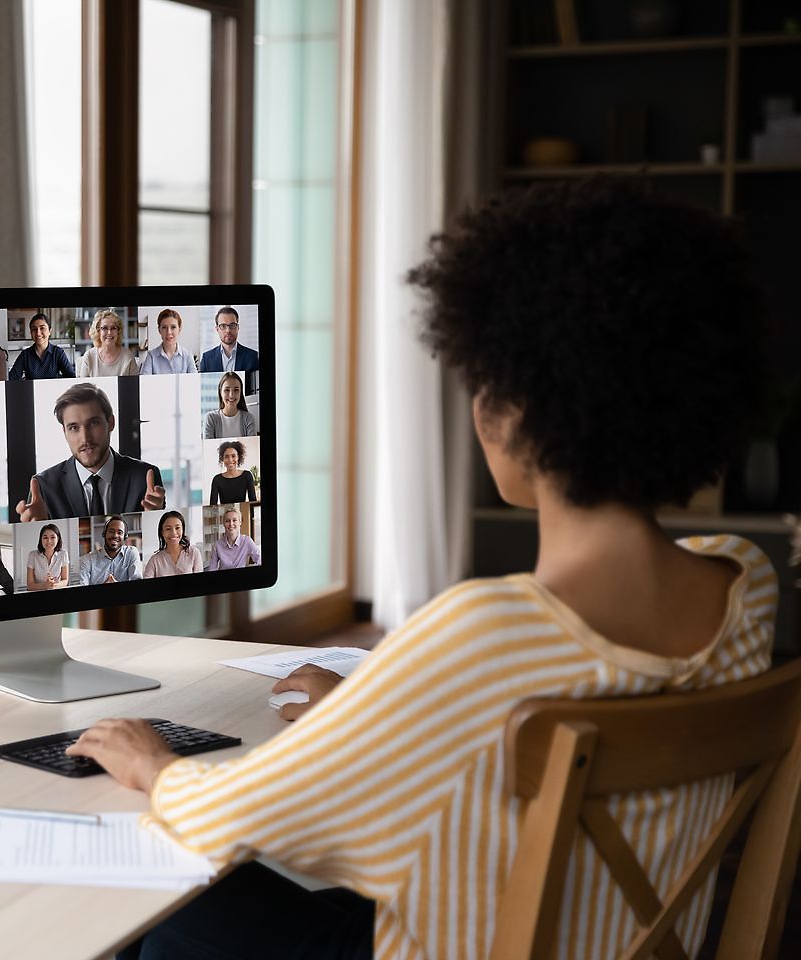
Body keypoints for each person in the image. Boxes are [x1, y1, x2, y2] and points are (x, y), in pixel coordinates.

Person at [66, 178, 774, 960]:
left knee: (169, 888)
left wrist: (152, 761)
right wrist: (377, 711)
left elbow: (226, 817)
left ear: (505, 411)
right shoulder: (745, 584)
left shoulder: (485, 636)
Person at [15, 381, 166, 521]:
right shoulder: (44, 486)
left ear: (111, 423)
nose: (85, 438)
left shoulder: (145, 477)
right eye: (74, 428)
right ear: (64, 432)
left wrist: (153, 518)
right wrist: (39, 525)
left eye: (93, 423)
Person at [8, 312, 76, 381]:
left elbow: (71, 378)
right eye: (34, 329)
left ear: (50, 331)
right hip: (32, 391)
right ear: (31, 333)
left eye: (42, 328)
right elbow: (11, 379)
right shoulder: (25, 355)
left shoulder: (58, 353)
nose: (38, 333)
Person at [76, 515, 142, 585]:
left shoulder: (131, 553)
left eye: (120, 532)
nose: (115, 535)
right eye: (111, 531)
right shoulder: (87, 560)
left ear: (125, 537)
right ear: (104, 534)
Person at [75, 309, 139, 377]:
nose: (109, 332)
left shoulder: (128, 357)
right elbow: (83, 387)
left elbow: (134, 386)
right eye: (105, 328)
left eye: (113, 328)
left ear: (118, 332)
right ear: (98, 331)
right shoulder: (89, 356)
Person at [197, 305, 259, 373]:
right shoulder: (207, 359)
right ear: (217, 329)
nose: (228, 330)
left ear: (238, 328)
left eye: (232, 325)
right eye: (223, 326)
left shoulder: (253, 357)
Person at [142, 511, 203, 578]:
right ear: (162, 532)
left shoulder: (194, 553)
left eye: (177, 528)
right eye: (168, 529)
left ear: (182, 530)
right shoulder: (155, 560)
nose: (173, 533)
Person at [138, 309, 197, 375]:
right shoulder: (151, 356)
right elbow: (144, 383)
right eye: (164, 327)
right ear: (159, 330)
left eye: (173, 327)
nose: (169, 332)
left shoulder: (188, 355)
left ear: (179, 329)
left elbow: (194, 382)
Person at [202, 372, 257, 439]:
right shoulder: (210, 418)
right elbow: (208, 448)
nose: (231, 395)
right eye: (227, 390)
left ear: (240, 393)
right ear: (220, 392)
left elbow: (252, 447)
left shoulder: (248, 418)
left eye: (236, 390)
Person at [207, 440, 256, 505]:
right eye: (226, 456)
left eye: (233, 456)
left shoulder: (247, 475)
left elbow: (253, 503)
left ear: (238, 457)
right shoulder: (217, 479)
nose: (230, 460)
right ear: (222, 459)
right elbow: (212, 506)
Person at [25, 522, 70, 590]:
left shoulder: (63, 554)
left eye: (52, 537)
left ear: (58, 539)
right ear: (41, 539)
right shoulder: (32, 555)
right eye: (45, 537)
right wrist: (44, 585)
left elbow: (65, 580)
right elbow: (30, 585)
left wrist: (53, 585)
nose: (49, 541)